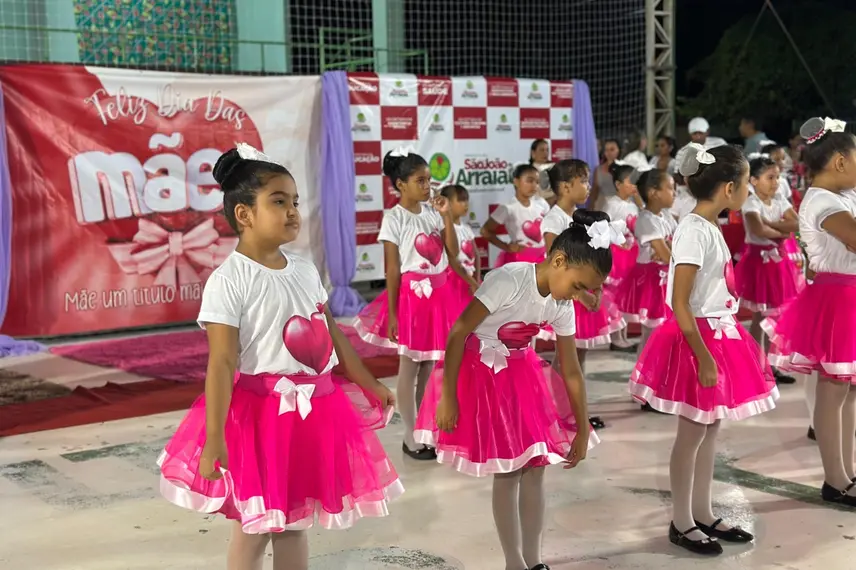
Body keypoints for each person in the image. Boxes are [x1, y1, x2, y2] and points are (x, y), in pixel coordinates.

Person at [157, 144, 402, 570]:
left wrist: (367, 381)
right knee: (257, 525)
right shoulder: (229, 280)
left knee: (295, 522)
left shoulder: (304, 269)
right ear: (244, 214)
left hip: (317, 412)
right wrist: (215, 435)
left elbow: (332, 335)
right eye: (278, 201)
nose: (292, 211)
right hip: (263, 418)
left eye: (295, 201)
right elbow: (222, 364)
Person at [414, 211, 609, 570]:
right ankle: (513, 561)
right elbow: (458, 333)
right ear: (559, 260)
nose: (580, 296)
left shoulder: (563, 304)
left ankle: (533, 559)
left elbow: (571, 371)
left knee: (536, 467)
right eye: (579, 286)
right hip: (482, 375)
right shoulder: (509, 279)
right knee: (508, 470)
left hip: (523, 377)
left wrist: (583, 427)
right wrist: (448, 395)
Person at [629, 143, 778, 555]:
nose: (748, 189)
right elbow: (679, 303)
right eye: (747, 182)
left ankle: (702, 511)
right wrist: (704, 355)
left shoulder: (707, 226)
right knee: (692, 433)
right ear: (729, 188)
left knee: (710, 429)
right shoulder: (695, 229)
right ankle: (681, 521)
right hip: (699, 339)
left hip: (717, 333)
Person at [767, 117, 856, 507]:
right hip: (836, 299)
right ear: (839, 161)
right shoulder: (822, 200)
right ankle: (834, 479)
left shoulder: (845, 195)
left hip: (848, 294)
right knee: (834, 389)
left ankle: (847, 471)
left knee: (849, 389)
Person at [354, 148, 464, 461]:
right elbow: (392, 268)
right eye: (420, 180)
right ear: (401, 184)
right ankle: (409, 436)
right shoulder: (395, 217)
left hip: (440, 297)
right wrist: (392, 312)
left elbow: (451, 253)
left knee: (430, 364)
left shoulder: (433, 212)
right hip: (413, 299)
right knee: (410, 365)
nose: (428, 186)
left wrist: (445, 216)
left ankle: (424, 429)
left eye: (429, 180)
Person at [541, 159, 628, 429]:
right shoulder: (554, 220)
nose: (588, 186)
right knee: (565, 357)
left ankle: (574, 411)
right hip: (568, 297)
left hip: (584, 296)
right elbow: (556, 265)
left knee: (579, 357)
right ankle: (558, 411)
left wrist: (597, 289)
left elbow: (594, 259)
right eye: (583, 181)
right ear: (566, 186)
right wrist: (582, 296)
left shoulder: (582, 217)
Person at [736, 156, 804, 386]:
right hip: (759, 265)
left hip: (779, 265)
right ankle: (757, 364)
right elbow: (757, 228)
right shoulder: (751, 202)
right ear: (753, 181)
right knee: (760, 317)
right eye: (770, 177)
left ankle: (772, 364)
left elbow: (796, 223)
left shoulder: (779, 201)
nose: (775, 182)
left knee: (777, 316)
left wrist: (772, 226)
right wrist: (779, 230)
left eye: (777, 177)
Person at [615, 168, 677, 355]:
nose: (674, 193)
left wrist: (668, 247)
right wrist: (667, 248)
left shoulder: (666, 216)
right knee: (652, 332)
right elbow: (666, 254)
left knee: (666, 331)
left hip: (668, 278)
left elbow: (674, 244)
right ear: (653, 193)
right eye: (670, 188)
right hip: (653, 282)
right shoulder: (646, 219)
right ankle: (644, 374)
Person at [600, 162, 641, 351]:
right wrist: (618, 241)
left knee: (625, 296)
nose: (634, 184)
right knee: (615, 297)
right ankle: (616, 337)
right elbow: (602, 228)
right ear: (618, 184)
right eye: (630, 181)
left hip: (631, 254)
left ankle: (623, 336)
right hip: (617, 255)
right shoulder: (611, 204)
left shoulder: (633, 205)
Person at [481, 164, 551, 266]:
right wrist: (506, 246)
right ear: (516, 182)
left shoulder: (541, 203)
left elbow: (549, 229)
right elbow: (485, 231)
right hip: (521, 259)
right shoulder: (507, 208)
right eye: (530, 181)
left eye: (537, 182)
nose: (534, 185)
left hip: (543, 256)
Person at [442, 183, 481, 299]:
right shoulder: (443, 229)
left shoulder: (467, 228)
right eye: (461, 201)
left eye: (466, 200)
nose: (466, 205)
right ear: (447, 203)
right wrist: (471, 282)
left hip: (471, 281)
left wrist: (477, 279)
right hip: (453, 282)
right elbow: (451, 260)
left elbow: (477, 255)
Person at [589, 138, 621, 210]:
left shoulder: (625, 169)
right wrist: (590, 209)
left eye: (612, 149)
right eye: (606, 150)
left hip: (619, 208)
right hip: (601, 207)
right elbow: (594, 191)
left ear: (619, 150)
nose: (609, 153)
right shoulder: (598, 169)